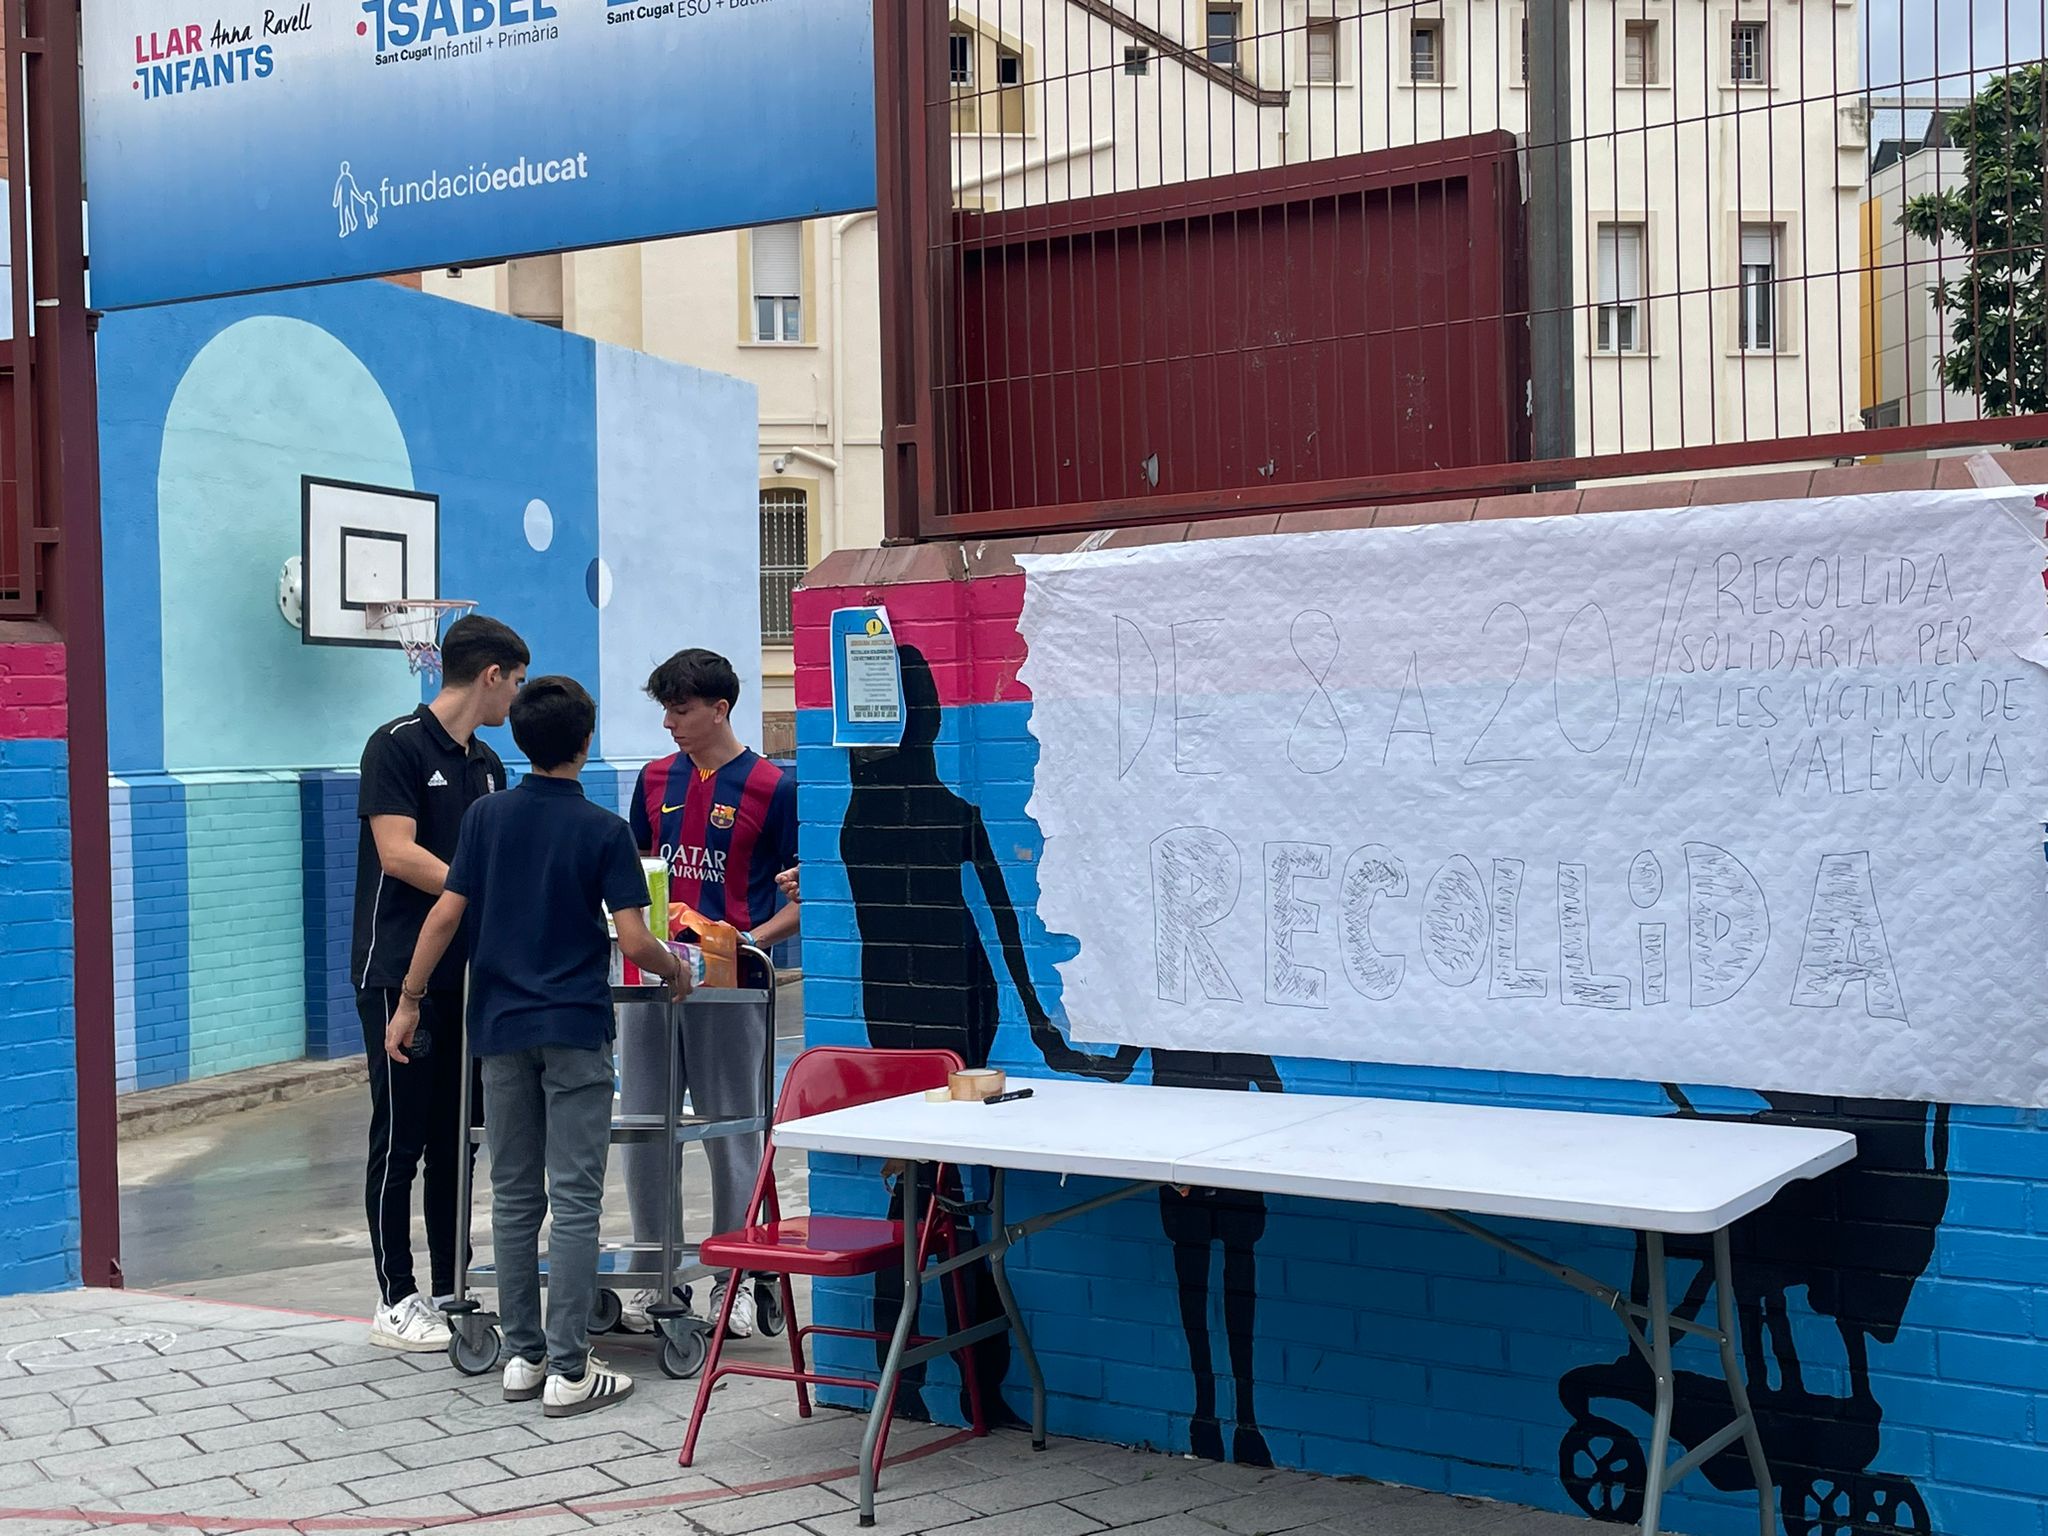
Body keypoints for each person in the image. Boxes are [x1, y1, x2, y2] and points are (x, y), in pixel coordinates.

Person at [387, 676, 689, 1417]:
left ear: (520, 739)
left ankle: (521, 1356)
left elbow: (444, 919)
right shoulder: (600, 830)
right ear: (585, 744)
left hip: (499, 1028)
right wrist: (676, 968)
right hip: (575, 1029)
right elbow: (634, 938)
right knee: (576, 1198)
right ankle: (572, 1368)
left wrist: (410, 998)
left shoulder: (486, 817)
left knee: (516, 1195)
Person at [352, 614, 527, 1352]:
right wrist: (478, 887)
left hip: (469, 978)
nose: (515, 699)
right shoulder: (394, 746)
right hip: (400, 975)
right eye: (515, 683)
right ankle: (396, 1296)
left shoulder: (487, 765)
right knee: (404, 1140)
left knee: (462, 1139)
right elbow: (397, 853)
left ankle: (453, 1287)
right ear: (491, 675)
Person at [616, 649, 799, 1339]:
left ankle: (737, 1279)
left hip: (733, 987)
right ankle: (652, 1273)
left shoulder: (773, 788)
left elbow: (805, 895)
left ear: (720, 708)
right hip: (653, 983)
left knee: (734, 1130)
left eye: (682, 710)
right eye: (663, 709)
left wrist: (754, 943)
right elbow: (631, 879)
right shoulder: (653, 780)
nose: (669, 724)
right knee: (643, 1125)